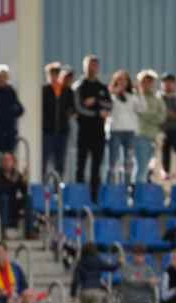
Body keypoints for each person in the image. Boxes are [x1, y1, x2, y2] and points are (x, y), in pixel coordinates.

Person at [74, 55, 111, 200]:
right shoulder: (79, 86)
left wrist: (95, 101)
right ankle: (79, 196)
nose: (92, 68)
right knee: (80, 166)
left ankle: (94, 197)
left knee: (97, 166)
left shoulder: (102, 87)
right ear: (84, 67)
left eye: (95, 65)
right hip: (83, 132)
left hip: (99, 132)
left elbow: (109, 105)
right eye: (90, 65)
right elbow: (79, 108)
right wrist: (97, 111)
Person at [41, 62, 73, 178]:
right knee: (44, 160)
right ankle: (43, 185)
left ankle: (57, 188)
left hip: (62, 131)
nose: (54, 76)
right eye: (51, 74)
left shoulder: (67, 91)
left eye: (56, 73)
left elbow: (72, 108)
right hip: (47, 131)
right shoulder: (43, 90)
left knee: (60, 162)